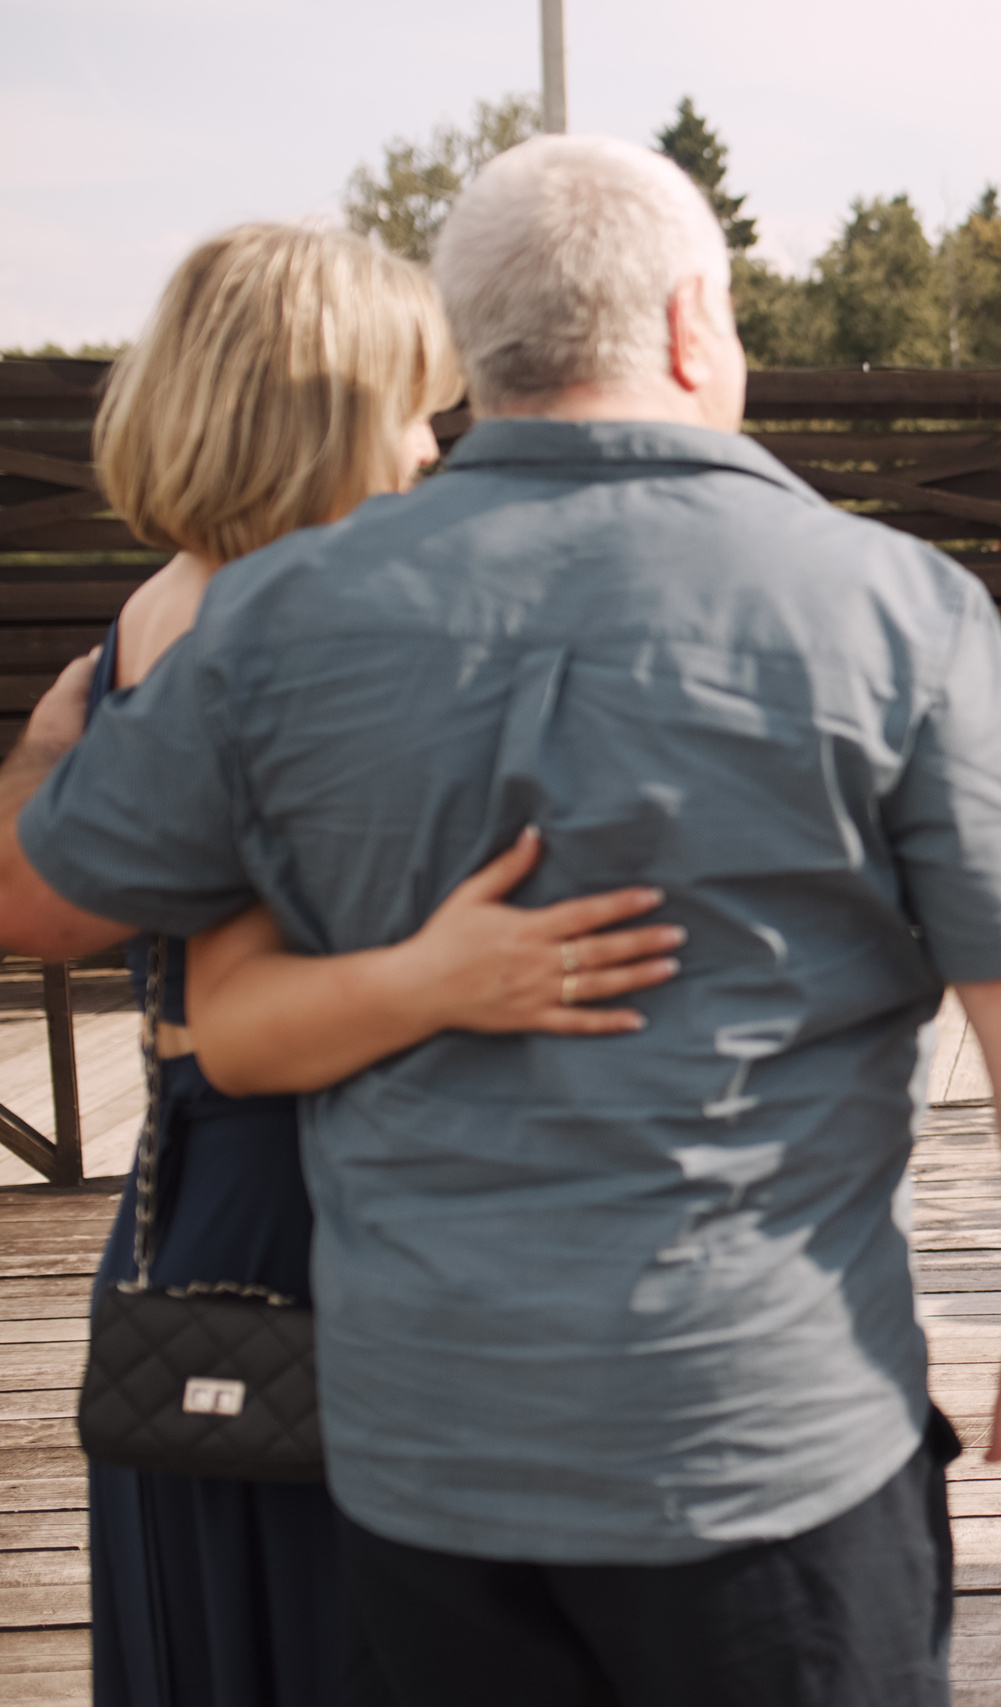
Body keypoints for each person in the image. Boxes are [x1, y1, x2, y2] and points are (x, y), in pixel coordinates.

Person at [0, 135, 1001, 1704]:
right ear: (691, 324)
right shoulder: (889, 602)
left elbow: (69, 909)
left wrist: (65, 734)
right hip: (770, 1433)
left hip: (420, 1461)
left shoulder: (277, 610)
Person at [47, 222, 684, 1707]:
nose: (425, 452)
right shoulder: (266, 630)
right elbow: (230, 1000)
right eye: (405, 409)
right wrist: (457, 971)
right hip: (301, 1210)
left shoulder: (162, 608)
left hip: (212, 1204)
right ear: (310, 417)